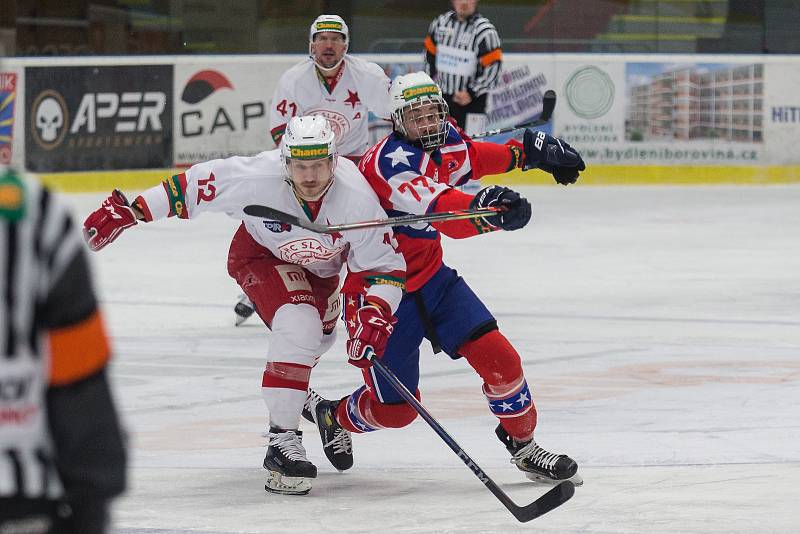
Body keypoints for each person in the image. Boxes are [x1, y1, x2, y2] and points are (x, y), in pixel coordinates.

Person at [82, 116, 405, 496]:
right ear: (285, 161)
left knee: (319, 340)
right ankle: (282, 442)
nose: (310, 175)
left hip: (321, 274)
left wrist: (377, 310)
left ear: (333, 161)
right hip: (260, 257)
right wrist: (134, 210)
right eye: (300, 165)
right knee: (299, 325)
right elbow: (192, 186)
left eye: (318, 164)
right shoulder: (256, 177)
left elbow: (385, 267)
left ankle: (307, 401)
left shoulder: (357, 197)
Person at [303, 72, 586, 486]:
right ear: (397, 122)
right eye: (416, 117)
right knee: (396, 412)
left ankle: (523, 446)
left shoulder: (445, 137)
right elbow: (445, 212)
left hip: (435, 282)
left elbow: (474, 156)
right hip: (383, 294)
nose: (428, 124)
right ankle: (335, 416)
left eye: (433, 113)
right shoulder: (388, 165)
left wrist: (530, 153)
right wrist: (488, 208)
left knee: (503, 362)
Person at [235, 13, 394, 326]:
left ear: (346, 44)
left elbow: (396, 113)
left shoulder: (367, 75)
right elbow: (281, 131)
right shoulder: (294, 79)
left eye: (336, 38)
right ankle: (261, 287)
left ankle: (369, 289)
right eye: (321, 38)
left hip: (353, 163)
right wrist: (297, 170)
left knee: (362, 228)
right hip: (308, 166)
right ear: (311, 44)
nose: (328, 44)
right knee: (284, 225)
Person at [0, 166, 127, 533]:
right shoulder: (34, 214)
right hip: (20, 495)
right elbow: (79, 379)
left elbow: (78, 370)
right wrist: (93, 496)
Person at [423, 0, 502, 138]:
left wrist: (471, 92)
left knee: (474, 145)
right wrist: (430, 87)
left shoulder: (485, 31)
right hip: (442, 100)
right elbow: (429, 57)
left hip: (473, 102)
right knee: (441, 144)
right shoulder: (440, 23)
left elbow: (493, 70)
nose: (464, 2)